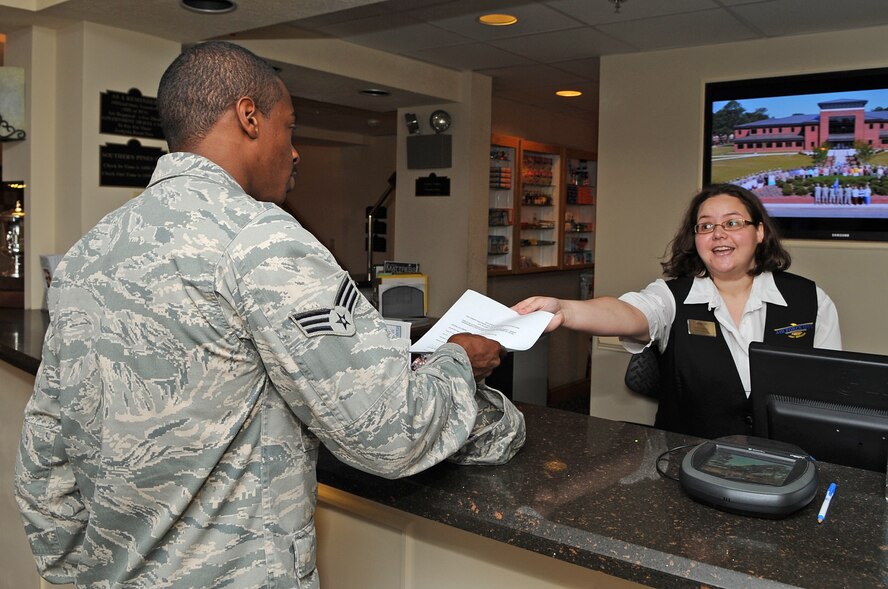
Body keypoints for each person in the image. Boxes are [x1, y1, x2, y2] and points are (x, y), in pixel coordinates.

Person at [15, 41, 524, 589]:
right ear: (248, 117)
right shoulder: (262, 239)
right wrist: (456, 360)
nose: (296, 149)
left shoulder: (91, 250)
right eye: (290, 127)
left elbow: (44, 453)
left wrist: (79, 573)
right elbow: (390, 431)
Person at [514, 183, 841, 439]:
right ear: (695, 239)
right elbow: (629, 312)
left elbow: (829, 396)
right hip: (688, 464)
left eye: (732, 222)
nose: (718, 233)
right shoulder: (671, 297)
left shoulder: (811, 300)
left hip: (785, 465)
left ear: (759, 232)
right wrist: (566, 310)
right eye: (706, 226)